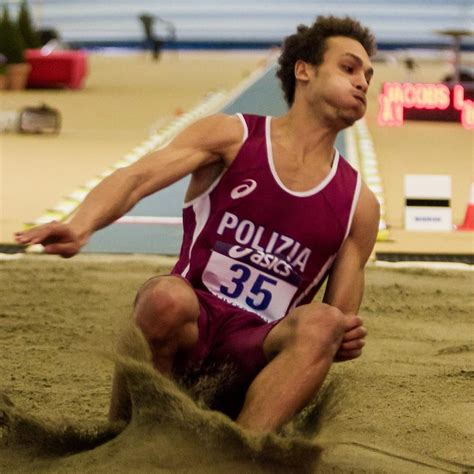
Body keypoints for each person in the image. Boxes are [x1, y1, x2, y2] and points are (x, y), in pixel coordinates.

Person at [14, 15, 380, 433]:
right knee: (164, 297)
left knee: (325, 324)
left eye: (368, 75)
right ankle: (127, 439)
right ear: (304, 70)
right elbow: (137, 178)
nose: (363, 82)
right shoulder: (232, 137)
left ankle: (240, 453)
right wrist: (82, 224)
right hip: (189, 329)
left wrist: (342, 339)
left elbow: (339, 321)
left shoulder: (359, 204)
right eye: (349, 68)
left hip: (258, 355)